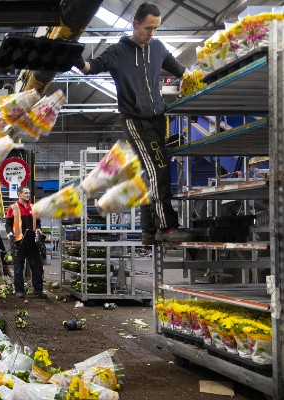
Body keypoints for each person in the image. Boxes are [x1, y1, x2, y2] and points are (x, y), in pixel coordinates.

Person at [72, 2, 192, 245]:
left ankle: (148, 231)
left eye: (155, 29)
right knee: (159, 169)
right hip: (136, 121)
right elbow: (90, 68)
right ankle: (166, 227)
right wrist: (74, 57)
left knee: (149, 174)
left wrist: (200, 76)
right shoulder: (118, 51)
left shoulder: (157, 48)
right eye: (148, 28)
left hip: (158, 118)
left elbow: (182, 71)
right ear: (135, 24)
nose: (151, 33)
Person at [5, 185, 46, 299]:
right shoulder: (12, 208)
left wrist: (38, 228)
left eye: (29, 193)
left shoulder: (33, 207)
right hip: (18, 242)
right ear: (19, 194)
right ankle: (19, 290)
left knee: (37, 266)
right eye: (26, 193)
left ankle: (38, 290)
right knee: (18, 267)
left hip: (32, 242)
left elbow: (38, 222)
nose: (28, 195)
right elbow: (8, 224)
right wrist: (9, 233)